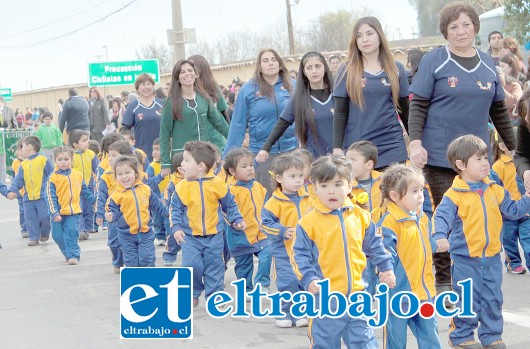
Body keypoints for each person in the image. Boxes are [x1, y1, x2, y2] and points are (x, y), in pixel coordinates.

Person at [408, 1, 516, 296]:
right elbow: (417, 105)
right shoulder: (435, 60)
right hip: (442, 156)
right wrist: (415, 141)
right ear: (445, 31)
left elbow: (499, 110)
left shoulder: (486, 61)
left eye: (466, 24)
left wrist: (514, 149)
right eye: (453, 26)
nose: (460, 31)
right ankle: (445, 279)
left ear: (475, 28)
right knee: (449, 216)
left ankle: (475, 275)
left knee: (481, 215)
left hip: (479, 160)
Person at [434, 135, 530, 349]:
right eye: (478, 159)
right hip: (465, 260)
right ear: (461, 165)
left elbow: (513, 211)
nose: (485, 162)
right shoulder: (454, 195)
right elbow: (441, 217)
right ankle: (461, 337)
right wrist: (439, 236)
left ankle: (491, 336)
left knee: (493, 299)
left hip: (493, 258)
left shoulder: (494, 189)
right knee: (466, 300)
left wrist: (527, 198)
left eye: (486, 157)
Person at [290, 155, 395, 348]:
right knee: (325, 342)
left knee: (364, 341)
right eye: (324, 186)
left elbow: (375, 245)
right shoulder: (308, 223)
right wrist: (309, 279)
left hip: (358, 294)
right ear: (314, 187)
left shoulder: (361, 216)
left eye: (338, 184)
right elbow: (299, 256)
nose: (331, 191)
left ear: (349, 185)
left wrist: (386, 268)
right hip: (325, 298)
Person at [171, 141, 245, 307]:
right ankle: (193, 292)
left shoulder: (218, 184)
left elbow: (230, 205)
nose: (181, 164)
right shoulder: (181, 187)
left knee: (215, 266)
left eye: (186, 160)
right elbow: (175, 210)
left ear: (200, 166)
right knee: (191, 265)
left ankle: (214, 295)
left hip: (214, 235)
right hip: (190, 237)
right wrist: (176, 228)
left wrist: (237, 219)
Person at [377, 164, 442, 349]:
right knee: (396, 339)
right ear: (395, 196)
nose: (420, 195)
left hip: (424, 291)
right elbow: (384, 253)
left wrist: (439, 244)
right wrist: (386, 271)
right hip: (399, 294)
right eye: (414, 191)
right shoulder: (389, 223)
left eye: (421, 189)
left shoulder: (422, 218)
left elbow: (426, 245)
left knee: (430, 334)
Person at [333, 17, 409, 170]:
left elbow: (405, 109)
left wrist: (414, 141)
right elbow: (340, 112)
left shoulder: (396, 68)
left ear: (380, 35)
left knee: (394, 192)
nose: (364, 39)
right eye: (359, 36)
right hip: (359, 147)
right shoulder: (346, 69)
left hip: (392, 145)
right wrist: (337, 148)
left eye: (369, 33)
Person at [224, 49, 297, 195]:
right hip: (262, 155)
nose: (270, 63)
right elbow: (237, 125)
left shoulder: (293, 86)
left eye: (274, 59)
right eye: (266, 60)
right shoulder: (248, 89)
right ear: (259, 66)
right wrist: (228, 157)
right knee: (265, 202)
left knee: (293, 200)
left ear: (280, 63)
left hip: (291, 151)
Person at [261, 153, 312, 328]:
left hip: (306, 252)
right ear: (279, 178)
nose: (298, 180)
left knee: (304, 281)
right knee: (287, 282)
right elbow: (265, 225)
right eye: (292, 176)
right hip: (284, 252)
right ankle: (283, 312)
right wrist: (282, 231)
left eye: (300, 175)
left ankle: (300, 313)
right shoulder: (274, 202)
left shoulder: (308, 198)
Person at [257, 51, 334, 160]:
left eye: (318, 66)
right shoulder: (299, 98)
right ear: (304, 72)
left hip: (338, 157)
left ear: (325, 68)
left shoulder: (337, 94)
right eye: (309, 67)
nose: (314, 71)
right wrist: (266, 147)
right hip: (314, 159)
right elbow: (283, 123)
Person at [159, 60, 229, 177]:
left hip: (203, 156)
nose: (187, 74)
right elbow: (164, 134)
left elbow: (220, 123)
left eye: (190, 70)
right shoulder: (171, 101)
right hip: (181, 158)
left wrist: (234, 140)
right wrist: (165, 163)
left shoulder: (203, 97)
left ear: (196, 74)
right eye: (182, 72)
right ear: (177, 77)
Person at [105, 156, 168, 267]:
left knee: (147, 259)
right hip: (126, 235)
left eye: (127, 172)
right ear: (115, 177)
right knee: (131, 262)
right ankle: (135, 281)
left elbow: (158, 206)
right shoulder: (115, 196)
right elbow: (113, 211)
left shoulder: (146, 189)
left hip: (146, 233)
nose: (124, 177)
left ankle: (148, 282)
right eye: (119, 174)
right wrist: (111, 216)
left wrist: (170, 214)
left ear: (136, 173)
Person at [223, 148, 271, 295]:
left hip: (260, 233)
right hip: (240, 236)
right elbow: (225, 211)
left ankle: (262, 283)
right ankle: (246, 290)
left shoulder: (258, 187)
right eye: (244, 167)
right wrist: (233, 223)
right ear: (232, 171)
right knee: (244, 265)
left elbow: (266, 206)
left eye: (251, 165)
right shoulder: (230, 191)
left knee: (267, 254)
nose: (250, 169)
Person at [47, 146, 95, 265]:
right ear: (55, 161)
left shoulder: (77, 175)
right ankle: (67, 252)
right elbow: (49, 197)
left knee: (72, 233)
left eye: (66, 159)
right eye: (60, 159)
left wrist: (94, 201)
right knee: (57, 236)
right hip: (58, 213)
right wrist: (54, 213)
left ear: (72, 160)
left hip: (74, 212)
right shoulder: (52, 178)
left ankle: (73, 255)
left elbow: (85, 191)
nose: (63, 162)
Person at [491, 131, 530, 274]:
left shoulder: (524, 162)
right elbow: (494, 187)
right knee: (510, 239)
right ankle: (513, 263)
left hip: (526, 208)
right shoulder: (498, 166)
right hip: (507, 211)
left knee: (528, 238)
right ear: (502, 145)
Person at [7, 136, 54, 246]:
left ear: (29, 147)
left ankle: (44, 233)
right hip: (28, 198)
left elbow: (52, 175)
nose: (21, 149)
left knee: (45, 216)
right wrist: (13, 190)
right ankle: (33, 237)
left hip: (43, 196)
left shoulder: (43, 160)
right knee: (30, 218)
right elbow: (18, 180)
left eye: (22, 147)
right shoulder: (23, 164)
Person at [96, 140, 134, 273]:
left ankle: (130, 263)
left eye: (113, 155)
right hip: (112, 213)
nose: (109, 158)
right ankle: (118, 262)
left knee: (130, 239)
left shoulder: (133, 173)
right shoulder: (105, 175)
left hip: (130, 213)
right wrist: (99, 213)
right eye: (109, 155)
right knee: (113, 240)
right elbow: (101, 195)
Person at [121, 73, 164, 162]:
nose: (146, 87)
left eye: (149, 84)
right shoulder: (133, 106)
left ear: (153, 86)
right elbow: (125, 129)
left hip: (162, 150)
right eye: (143, 84)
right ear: (138, 88)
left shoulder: (162, 103)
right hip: (142, 151)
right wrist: (130, 144)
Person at [68, 130, 99, 240]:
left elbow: (97, 169)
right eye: (84, 141)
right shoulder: (70, 156)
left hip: (89, 185)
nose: (87, 143)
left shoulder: (91, 154)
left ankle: (88, 228)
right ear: (75, 144)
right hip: (75, 188)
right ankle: (80, 230)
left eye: (87, 140)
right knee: (79, 208)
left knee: (89, 208)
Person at [188, 54, 230, 123]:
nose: (189, 73)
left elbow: (223, 113)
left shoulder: (213, 87)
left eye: (191, 69)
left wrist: (230, 132)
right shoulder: (186, 89)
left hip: (215, 132)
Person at [162, 151, 184, 266]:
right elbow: (166, 193)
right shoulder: (174, 181)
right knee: (173, 237)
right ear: (180, 169)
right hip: (175, 214)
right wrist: (166, 203)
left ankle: (187, 258)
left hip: (190, 215)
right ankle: (169, 254)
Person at [146, 138, 170, 246]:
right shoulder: (152, 166)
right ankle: (160, 236)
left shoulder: (171, 163)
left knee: (168, 217)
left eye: (158, 149)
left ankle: (170, 236)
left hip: (169, 196)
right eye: (153, 149)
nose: (154, 152)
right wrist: (160, 176)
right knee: (157, 217)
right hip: (156, 196)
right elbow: (148, 182)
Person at [499, 54, 524, 124]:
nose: (500, 69)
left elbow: (514, 103)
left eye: (503, 66)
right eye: (500, 66)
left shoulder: (515, 85)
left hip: (510, 122)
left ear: (511, 67)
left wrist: (500, 88)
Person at [11, 141, 27, 238]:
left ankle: (35, 229)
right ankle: (24, 229)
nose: (21, 151)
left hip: (32, 192)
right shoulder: (15, 162)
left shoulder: (32, 161)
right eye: (20, 149)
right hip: (20, 192)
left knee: (34, 211)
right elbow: (14, 177)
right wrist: (14, 190)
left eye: (23, 148)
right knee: (22, 211)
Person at [0, 96, 16, 181]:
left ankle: (9, 176)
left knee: (8, 158)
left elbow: (14, 125)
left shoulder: (9, 110)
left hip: (8, 139)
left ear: (1, 101)